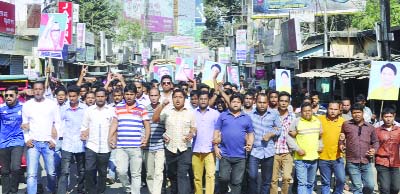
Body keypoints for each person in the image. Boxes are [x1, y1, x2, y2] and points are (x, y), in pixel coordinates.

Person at [152, 89, 196, 194]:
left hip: (185, 148)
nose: (177, 99)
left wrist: (191, 134)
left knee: (182, 174)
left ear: (184, 99)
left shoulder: (190, 113)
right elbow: (154, 119)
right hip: (170, 148)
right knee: (172, 174)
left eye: (180, 97)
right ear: (172, 99)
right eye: (175, 97)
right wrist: (162, 105)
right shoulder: (167, 111)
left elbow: (194, 128)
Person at [108, 84, 150, 194]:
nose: (129, 96)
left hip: (136, 147)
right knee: (121, 171)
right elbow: (114, 123)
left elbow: (147, 125)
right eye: (127, 94)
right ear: (123, 95)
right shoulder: (118, 108)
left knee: (136, 173)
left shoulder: (141, 108)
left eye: (131, 94)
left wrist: (146, 138)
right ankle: (128, 189)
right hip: (121, 146)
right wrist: (110, 137)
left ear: (136, 95)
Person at [21, 81, 61, 194]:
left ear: (44, 90)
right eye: (36, 89)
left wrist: (54, 140)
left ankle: (51, 190)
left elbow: (57, 123)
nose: (38, 91)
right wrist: (27, 139)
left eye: (40, 89)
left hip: (48, 143)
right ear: (33, 91)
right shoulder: (27, 105)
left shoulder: (52, 104)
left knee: (51, 172)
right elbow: (24, 124)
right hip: (33, 143)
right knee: (31, 174)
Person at [213, 94, 254, 194]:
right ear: (229, 103)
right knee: (223, 178)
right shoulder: (223, 115)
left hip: (240, 156)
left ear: (242, 104)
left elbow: (250, 133)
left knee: (237, 181)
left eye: (238, 102)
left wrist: (250, 144)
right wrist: (215, 147)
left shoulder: (246, 117)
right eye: (233, 102)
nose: (235, 104)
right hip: (225, 154)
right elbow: (216, 131)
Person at [80, 87, 115, 194]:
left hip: (105, 147)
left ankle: (100, 191)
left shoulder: (111, 110)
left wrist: (113, 139)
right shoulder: (89, 111)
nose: (100, 99)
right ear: (95, 97)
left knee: (103, 172)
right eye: (98, 96)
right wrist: (84, 133)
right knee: (89, 170)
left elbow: (114, 127)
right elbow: (84, 126)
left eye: (102, 96)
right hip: (91, 146)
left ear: (106, 97)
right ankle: (91, 191)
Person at [339, 103, 379, 194]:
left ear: (363, 112)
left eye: (359, 112)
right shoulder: (346, 124)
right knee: (357, 187)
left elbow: (375, 142)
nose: (356, 114)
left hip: (366, 161)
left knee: (370, 186)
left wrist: (374, 150)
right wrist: (341, 144)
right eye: (354, 112)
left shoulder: (370, 127)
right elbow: (341, 138)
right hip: (352, 161)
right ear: (351, 113)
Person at [247, 93, 281, 194]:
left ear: (268, 103)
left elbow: (279, 129)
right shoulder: (250, 115)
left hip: (268, 151)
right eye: (260, 102)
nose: (262, 105)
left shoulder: (274, 114)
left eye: (264, 102)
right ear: (255, 102)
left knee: (266, 179)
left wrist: (271, 134)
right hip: (254, 150)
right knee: (252, 176)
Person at [57, 85, 87, 194]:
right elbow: (58, 123)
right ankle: (61, 191)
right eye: (70, 96)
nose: (72, 98)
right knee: (64, 171)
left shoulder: (85, 109)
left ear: (79, 96)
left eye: (74, 96)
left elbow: (88, 124)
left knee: (82, 170)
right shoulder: (63, 109)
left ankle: (81, 190)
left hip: (81, 144)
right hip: (67, 143)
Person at [289, 102, 323, 194]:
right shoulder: (296, 121)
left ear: (312, 111)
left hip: (314, 158)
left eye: (309, 111)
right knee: (302, 183)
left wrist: (320, 146)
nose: (307, 113)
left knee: (310, 183)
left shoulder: (317, 121)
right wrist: (297, 149)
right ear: (301, 112)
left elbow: (320, 136)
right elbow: (289, 137)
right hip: (301, 159)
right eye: (304, 111)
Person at [192, 91, 220, 194]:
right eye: (201, 99)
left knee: (210, 176)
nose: (203, 101)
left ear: (208, 100)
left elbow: (219, 130)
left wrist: (218, 140)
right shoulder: (192, 113)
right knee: (197, 177)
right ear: (198, 100)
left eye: (205, 99)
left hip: (210, 150)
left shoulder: (215, 114)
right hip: (196, 149)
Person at [0, 86, 25, 194]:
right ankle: (5, 192)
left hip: (18, 142)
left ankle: (13, 191)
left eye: (11, 95)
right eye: (6, 95)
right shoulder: (1, 108)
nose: (8, 97)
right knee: (5, 171)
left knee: (15, 168)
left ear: (17, 96)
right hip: (3, 143)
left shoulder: (23, 108)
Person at [270, 91, 296, 194]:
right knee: (273, 179)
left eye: (286, 101)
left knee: (286, 177)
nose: (283, 103)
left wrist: (295, 133)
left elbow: (297, 131)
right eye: (281, 101)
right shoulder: (271, 115)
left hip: (287, 152)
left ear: (289, 103)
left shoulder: (293, 117)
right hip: (273, 152)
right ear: (278, 102)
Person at [318, 101, 346, 194]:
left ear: (339, 110)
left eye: (335, 109)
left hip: (338, 157)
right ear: (327, 109)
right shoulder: (319, 120)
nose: (333, 111)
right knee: (325, 182)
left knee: (341, 180)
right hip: (323, 157)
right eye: (331, 109)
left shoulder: (343, 122)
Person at [143, 88, 166, 194]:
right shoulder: (145, 109)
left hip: (160, 145)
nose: (153, 98)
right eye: (151, 95)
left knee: (159, 172)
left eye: (155, 95)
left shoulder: (165, 109)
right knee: (150, 173)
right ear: (148, 96)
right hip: (148, 146)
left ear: (159, 96)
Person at [374, 107, 400, 194]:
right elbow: (373, 144)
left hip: (395, 162)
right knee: (385, 188)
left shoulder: (398, 130)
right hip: (381, 161)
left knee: (396, 188)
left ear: (394, 116)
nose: (388, 119)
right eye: (386, 116)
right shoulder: (377, 131)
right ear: (382, 117)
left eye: (390, 116)